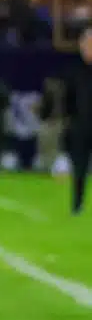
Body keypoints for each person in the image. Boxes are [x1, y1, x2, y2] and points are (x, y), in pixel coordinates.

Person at [64, 26, 92, 215]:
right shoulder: (75, 72)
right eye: (86, 44)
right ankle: (77, 204)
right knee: (79, 167)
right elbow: (69, 101)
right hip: (81, 126)